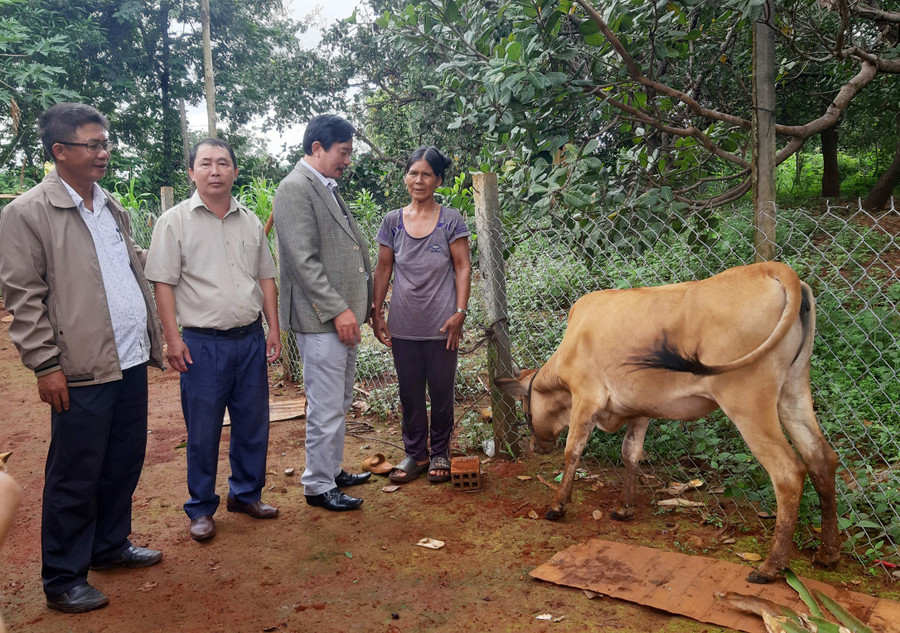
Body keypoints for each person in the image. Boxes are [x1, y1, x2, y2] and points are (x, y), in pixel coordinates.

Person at [0, 102, 164, 614]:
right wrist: (46, 365)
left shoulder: (110, 204)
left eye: (105, 142)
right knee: (76, 471)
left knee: (122, 459)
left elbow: (127, 267)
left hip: (129, 357)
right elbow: (22, 295)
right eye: (93, 145)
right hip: (80, 365)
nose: (104, 152)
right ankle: (64, 577)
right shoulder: (27, 213)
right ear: (60, 151)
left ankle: (109, 546)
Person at [145, 138, 282, 542]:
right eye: (205, 164)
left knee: (252, 423)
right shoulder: (174, 222)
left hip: (249, 339)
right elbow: (163, 284)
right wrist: (173, 339)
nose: (215, 171)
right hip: (203, 343)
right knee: (203, 429)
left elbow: (266, 278)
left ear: (236, 172)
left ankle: (246, 494)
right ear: (192, 173)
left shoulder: (251, 221)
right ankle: (201, 507)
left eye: (224, 163)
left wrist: (273, 328)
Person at [273, 114, 373, 512]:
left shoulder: (323, 186)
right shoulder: (295, 188)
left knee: (340, 398)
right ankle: (317, 485)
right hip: (321, 319)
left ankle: (330, 470)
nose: (347, 160)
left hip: (337, 317)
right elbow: (302, 261)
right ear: (317, 148)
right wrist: (337, 310)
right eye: (343, 152)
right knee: (326, 403)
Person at [371, 147, 472, 484]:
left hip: (443, 325)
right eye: (413, 173)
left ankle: (440, 451)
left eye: (426, 174)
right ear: (406, 177)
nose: (419, 180)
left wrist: (460, 312)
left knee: (442, 391)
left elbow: (463, 266)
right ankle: (416, 453)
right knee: (410, 392)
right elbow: (383, 268)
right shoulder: (392, 221)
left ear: (438, 180)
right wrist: (377, 312)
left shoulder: (451, 219)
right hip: (404, 324)